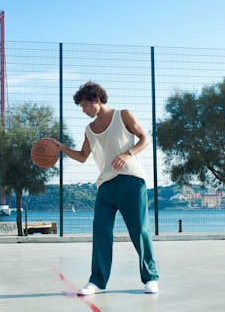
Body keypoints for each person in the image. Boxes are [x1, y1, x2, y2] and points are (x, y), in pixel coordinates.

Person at [53, 81, 159, 295]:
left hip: (131, 179)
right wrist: (63, 148)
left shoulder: (123, 115)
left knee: (139, 231)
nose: (83, 111)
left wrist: (128, 154)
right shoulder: (89, 130)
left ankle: (151, 278)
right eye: (81, 107)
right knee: (101, 232)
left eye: (84, 105)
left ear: (96, 100)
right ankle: (97, 281)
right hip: (106, 185)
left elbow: (145, 139)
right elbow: (83, 157)